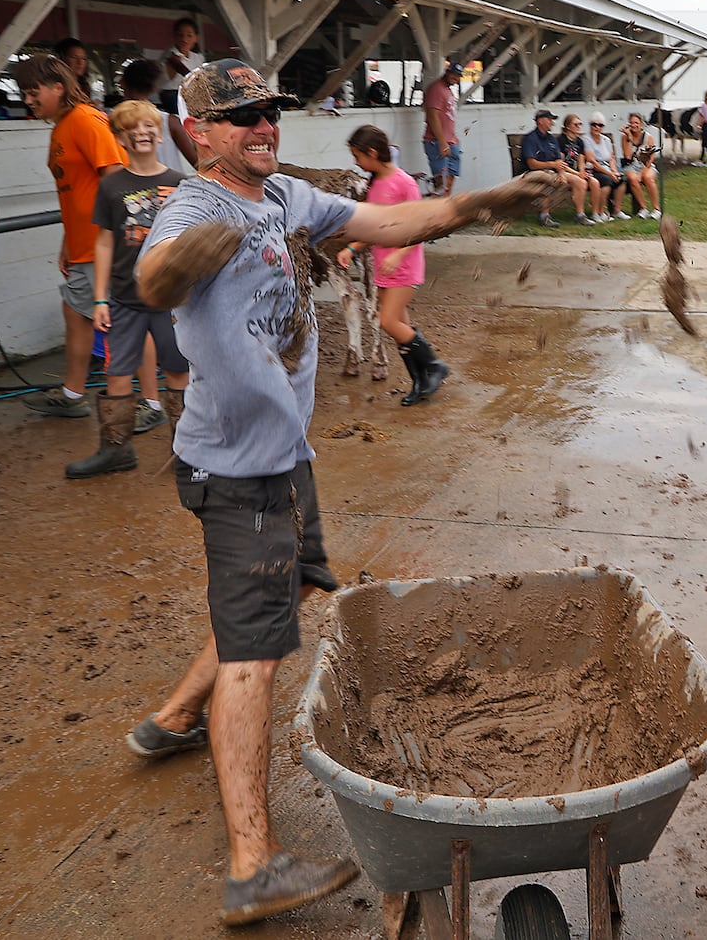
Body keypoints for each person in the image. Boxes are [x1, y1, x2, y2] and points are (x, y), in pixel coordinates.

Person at [126, 58, 552, 927]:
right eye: (240, 116)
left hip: (285, 454)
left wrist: (482, 202)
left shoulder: (284, 196)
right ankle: (252, 866)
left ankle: (171, 717)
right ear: (198, 132)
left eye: (268, 112)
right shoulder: (196, 206)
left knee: (274, 597)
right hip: (237, 469)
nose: (261, 126)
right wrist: (177, 271)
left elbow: (393, 217)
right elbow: (154, 277)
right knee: (256, 651)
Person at [65, 99, 190, 479]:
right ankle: (116, 449)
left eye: (149, 127)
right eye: (131, 129)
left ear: (159, 133)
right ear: (120, 137)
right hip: (123, 301)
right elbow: (103, 242)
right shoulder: (111, 185)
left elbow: (190, 242)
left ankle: (187, 452)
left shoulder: (181, 183)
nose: (142, 134)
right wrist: (99, 298)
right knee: (117, 373)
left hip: (171, 302)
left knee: (178, 373)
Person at [15, 55, 127, 419]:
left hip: (102, 243)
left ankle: (138, 403)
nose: (28, 101)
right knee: (78, 313)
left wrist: (114, 240)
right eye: (24, 94)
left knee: (117, 321)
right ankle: (74, 392)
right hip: (83, 245)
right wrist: (68, 243)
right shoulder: (62, 126)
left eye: (33, 93)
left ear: (57, 87)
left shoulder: (86, 120)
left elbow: (116, 177)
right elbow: (74, 191)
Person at [342, 124, 449, 405]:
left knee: (388, 321)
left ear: (373, 152)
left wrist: (398, 254)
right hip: (383, 268)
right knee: (402, 328)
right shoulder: (375, 184)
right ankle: (420, 382)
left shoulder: (404, 183)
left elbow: (423, 227)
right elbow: (376, 229)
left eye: (358, 156)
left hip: (404, 266)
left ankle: (435, 365)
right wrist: (352, 248)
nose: (356, 162)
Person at [120, 57, 197, 169]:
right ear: (154, 87)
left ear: (122, 83)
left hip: (130, 185)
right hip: (171, 185)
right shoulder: (170, 122)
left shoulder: (113, 122)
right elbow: (196, 163)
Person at [520, 109, 592, 227]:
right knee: (551, 180)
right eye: (549, 120)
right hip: (532, 173)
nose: (552, 123)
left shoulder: (551, 139)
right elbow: (532, 164)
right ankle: (544, 216)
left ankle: (580, 215)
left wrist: (562, 173)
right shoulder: (530, 138)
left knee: (580, 182)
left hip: (551, 171)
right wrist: (553, 166)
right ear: (540, 121)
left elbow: (559, 160)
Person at [422, 60, 465, 196]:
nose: (456, 78)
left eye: (458, 76)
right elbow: (432, 116)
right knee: (441, 183)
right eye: (453, 74)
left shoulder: (447, 90)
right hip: (437, 142)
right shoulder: (436, 89)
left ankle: (445, 208)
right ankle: (438, 212)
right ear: (447, 72)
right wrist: (442, 142)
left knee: (450, 179)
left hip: (451, 142)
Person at [583, 112, 627, 221]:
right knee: (606, 181)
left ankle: (617, 211)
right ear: (590, 125)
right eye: (594, 124)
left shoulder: (606, 140)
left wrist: (614, 171)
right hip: (593, 168)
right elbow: (592, 161)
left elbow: (611, 158)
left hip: (607, 167)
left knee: (623, 179)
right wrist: (610, 174)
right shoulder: (586, 139)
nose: (597, 127)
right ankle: (599, 212)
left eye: (600, 125)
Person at [155, 17, 204, 113]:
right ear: (175, 36)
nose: (184, 39)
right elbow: (184, 72)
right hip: (171, 95)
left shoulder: (198, 58)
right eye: (180, 35)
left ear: (196, 38)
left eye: (189, 35)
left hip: (191, 94)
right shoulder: (170, 55)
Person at [558, 113, 599, 224]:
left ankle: (595, 214)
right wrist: (577, 174)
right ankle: (580, 215)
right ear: (567, 126)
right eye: (575, 124)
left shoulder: (579, 141)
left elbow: (581, 161)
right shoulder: (561, 140)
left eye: (580, 124)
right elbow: (560, 162)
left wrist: (582, 172)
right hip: (564, 171)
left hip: (575, 172)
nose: (578, 126)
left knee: (594, 182)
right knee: (582, 183)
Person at [619, 112, 661, 219]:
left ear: (641, 124)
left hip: (646, 164)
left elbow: (651, 156)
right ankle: (644, 208)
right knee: (632, 178)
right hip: (631, 165)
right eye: (632, 123)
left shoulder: (648, 137)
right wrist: (629, 136)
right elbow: (628, 156)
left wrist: (643, 171)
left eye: (636, 123)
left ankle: (656, 209)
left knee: (648, 178)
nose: (634, 125)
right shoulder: (625, 137)